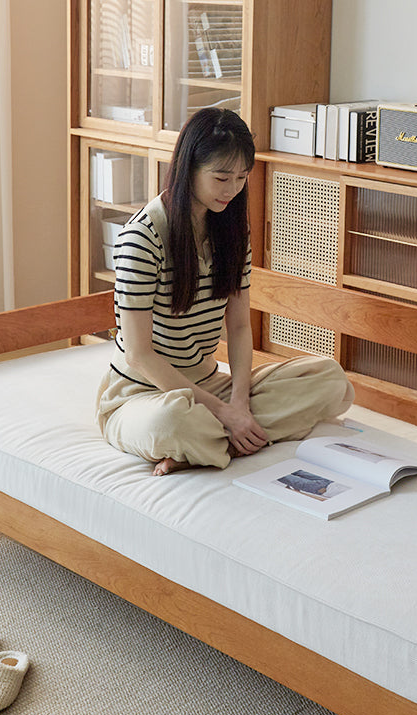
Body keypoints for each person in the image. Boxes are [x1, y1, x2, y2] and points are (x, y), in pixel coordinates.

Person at [96, 108, 354, 475]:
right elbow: (139, 355)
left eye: (241, 178)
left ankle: (207, 446)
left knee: (331, 380)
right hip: (143, 395)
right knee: (170, 423)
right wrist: (225, 414)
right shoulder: (143, 237)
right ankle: (216, 439)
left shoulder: (231, 232)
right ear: (189, 169)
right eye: (221, 178)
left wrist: (239, 403)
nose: (232, 190)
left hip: (209, 386)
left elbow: (238, 327)